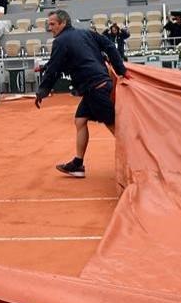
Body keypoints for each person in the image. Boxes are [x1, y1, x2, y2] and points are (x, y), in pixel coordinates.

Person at [34, 10, 128, 179]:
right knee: (80, 120)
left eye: (53, 24)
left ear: (63, 23)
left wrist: (43, 90)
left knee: (116, 128)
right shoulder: (85, 33)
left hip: (96, 89)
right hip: (95, 87)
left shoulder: (60, 41)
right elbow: (109, 46)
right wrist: (120, 69)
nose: (50, 28)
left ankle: (139, 161)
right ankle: (78, 164)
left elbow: (55, 69)